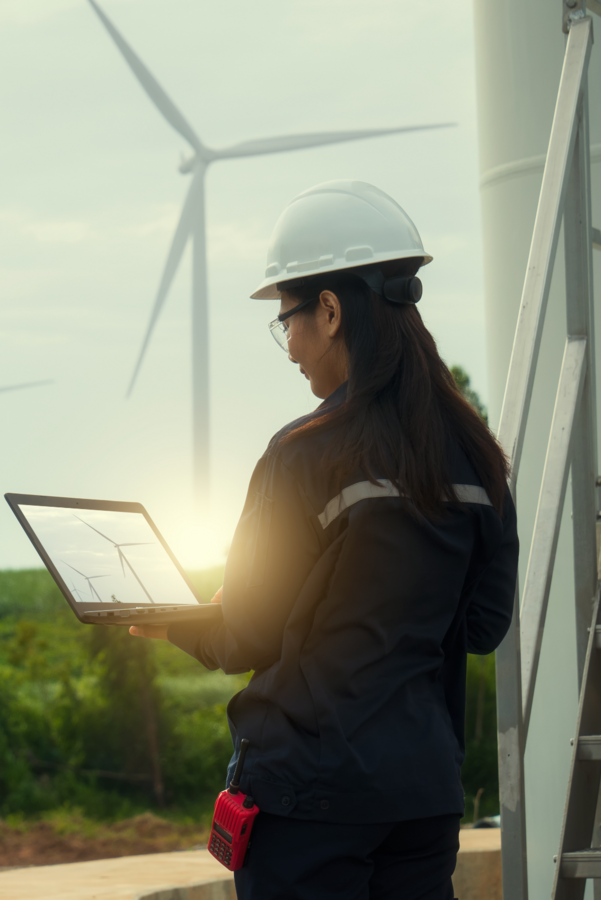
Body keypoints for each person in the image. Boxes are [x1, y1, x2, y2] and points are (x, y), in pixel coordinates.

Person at [130, 181, 517, 899]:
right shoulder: (477, 458)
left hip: (308, 798)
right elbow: (483, 626)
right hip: (422, 796)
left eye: (288, 322)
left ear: (332, 311)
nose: (290, 350)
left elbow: (245, 634)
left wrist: (174, 620)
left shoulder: (302, 456)